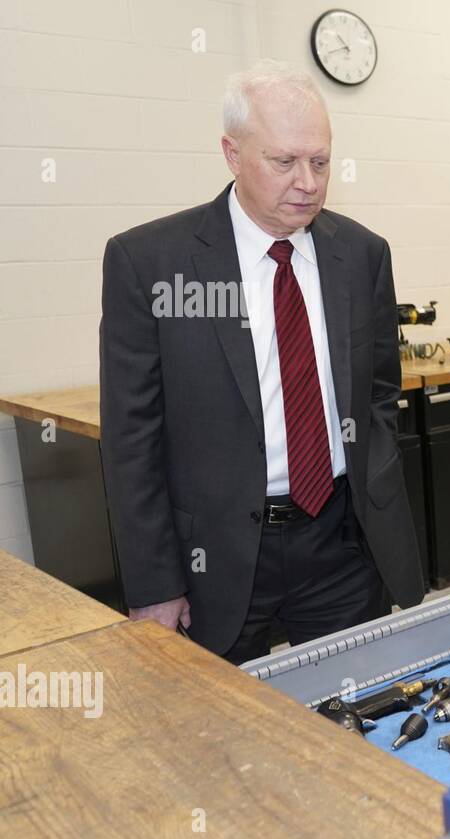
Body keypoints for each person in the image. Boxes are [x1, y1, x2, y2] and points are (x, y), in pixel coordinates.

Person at [100, 60, 425, 665]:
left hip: (341, 546)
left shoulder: (361, 254)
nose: (307, 181)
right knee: (220, 742)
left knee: (353, 727)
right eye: (285, 162)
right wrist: (154, 583)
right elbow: (130, 440)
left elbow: (380, 392)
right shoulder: (149, 263)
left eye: (320, 162)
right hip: (213, 559)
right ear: (232, 153)